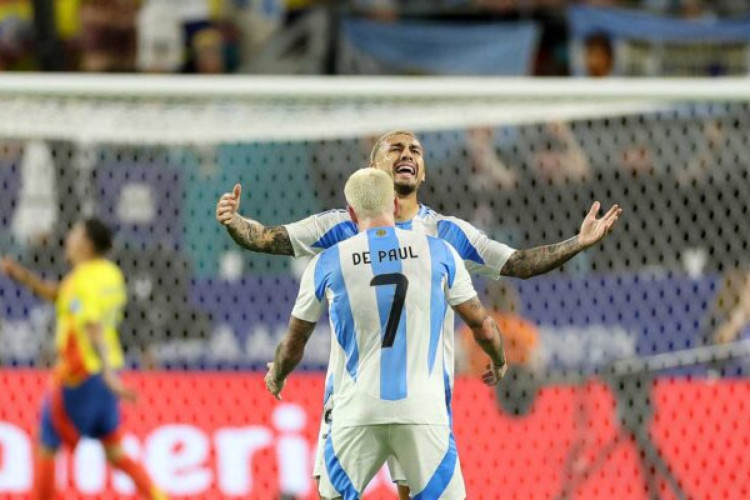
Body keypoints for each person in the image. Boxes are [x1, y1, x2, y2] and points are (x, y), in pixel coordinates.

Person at [217, 129, 621, 497]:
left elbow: (516, 262)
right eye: (395, 148)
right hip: (354, 401)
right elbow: (273, 238)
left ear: (423, 172)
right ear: (373, 169)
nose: (407, 153)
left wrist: (576, 243)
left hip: (417, 401)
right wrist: (235, 223)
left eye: (415, 149)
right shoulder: (341, 225)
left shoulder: (446, 233)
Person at [265, 168, 508, 498]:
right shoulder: (440, 252)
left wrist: (277, 374)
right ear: (395, 204)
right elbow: (483, 325)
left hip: (356, 412)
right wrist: (498, 358)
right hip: (423, 412)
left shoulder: (326, 262)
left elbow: (295, 343)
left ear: (351, 213)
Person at [0, 219, 167, 500]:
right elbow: (60, 296)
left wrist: (109, 378)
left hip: (82, 376)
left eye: (74, 233)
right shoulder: (109, 275)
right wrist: (22, 275)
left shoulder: (82, 282)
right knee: (115, 453)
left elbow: (92, 329)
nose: (68, 238)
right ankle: (159, 496)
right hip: (105, 376)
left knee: (46, 441)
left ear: (86, 244)